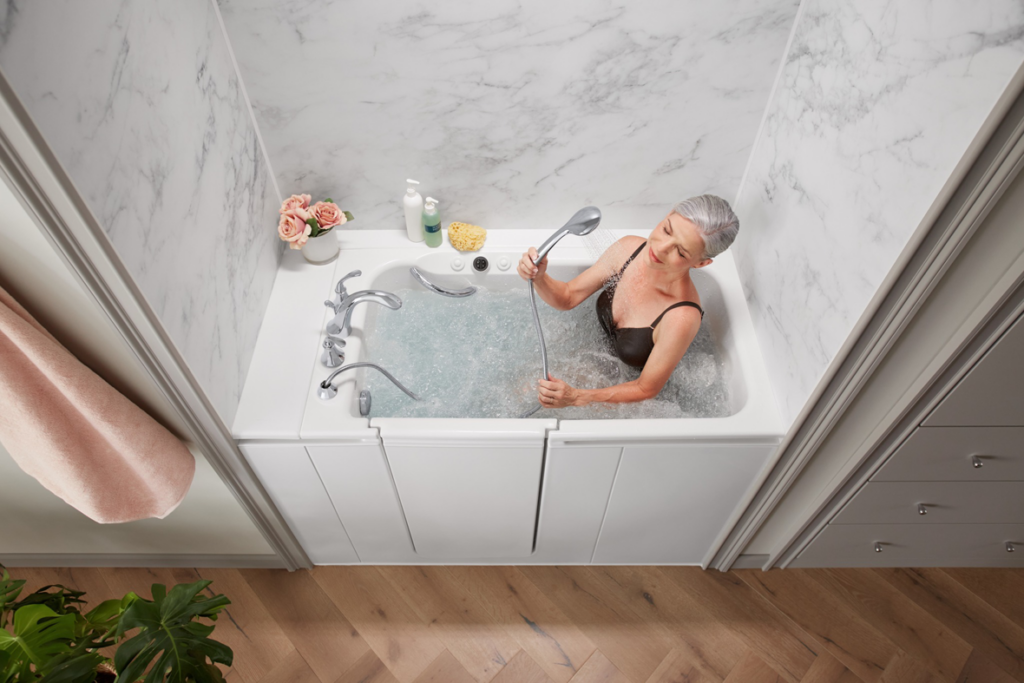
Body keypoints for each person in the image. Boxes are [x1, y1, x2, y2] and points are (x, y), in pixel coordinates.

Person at [517, 194, 739, 409]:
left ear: (700, 264)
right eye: (666, 230)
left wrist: (577, 398)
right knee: (522, 389)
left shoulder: (681, 317)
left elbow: (646, 389)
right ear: (668, 214)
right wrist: (539, 277)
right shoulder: (629, 249)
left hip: (625, 392)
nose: (660, 248)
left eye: (680, 252)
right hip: (592, 357)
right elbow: (567, 297)